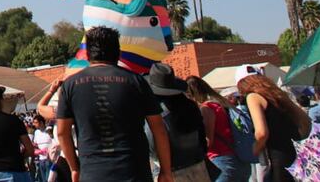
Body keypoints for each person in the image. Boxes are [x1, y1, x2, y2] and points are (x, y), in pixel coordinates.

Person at [55, 26, 173, 182]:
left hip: (93, 174)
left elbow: (62, 133)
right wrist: (166, 171)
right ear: (118, 52)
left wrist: (75, 168)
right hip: (134, 172)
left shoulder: (70, 86)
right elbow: (159, 129)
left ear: (88, 54)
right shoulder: (136, 81)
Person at [237, 72, 311, 182]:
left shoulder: (253, 97)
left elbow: (261, 132)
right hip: (295, 152)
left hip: (278, 155)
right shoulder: (278, 95)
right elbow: (305, 121)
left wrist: (256, 148)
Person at [146, 64, 209, 182]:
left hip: (170, 171)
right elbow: (202, 137)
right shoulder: (190, 105)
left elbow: (152, 145)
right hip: (198, 165)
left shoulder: (156, 113)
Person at [185, 76, 251, 182]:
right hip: (240, 161)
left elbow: (208, 141)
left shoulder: (206, 108)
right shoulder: (221, 105)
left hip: (222, 162)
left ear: (192, 94)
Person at [30, 115, 54, 182]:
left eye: (36, 122)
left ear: (41, 122)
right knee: (43, 179)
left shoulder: (49, 130)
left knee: (50, 179)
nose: (34, 124)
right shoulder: (36, 132)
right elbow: (35, 144)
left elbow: (54, 142)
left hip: (50, 159)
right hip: (41, 159)